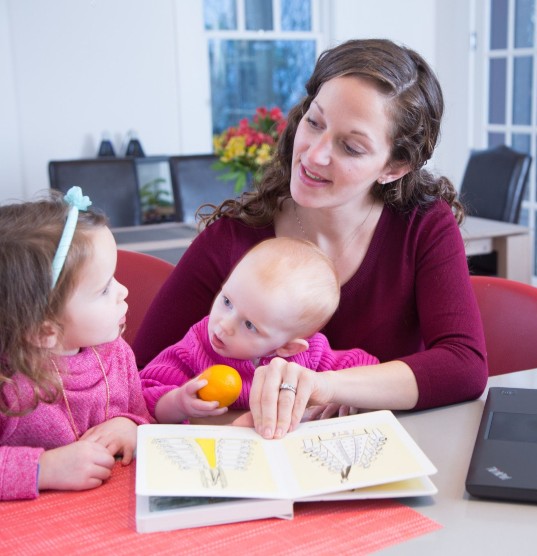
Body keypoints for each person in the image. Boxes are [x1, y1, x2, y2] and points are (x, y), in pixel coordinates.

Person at [133, 38, 488, 439]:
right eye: (315, 122)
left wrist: (324, 386)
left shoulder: (422, 227)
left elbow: (464, 366)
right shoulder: (231, 240)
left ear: (394, 166)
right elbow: (136, 380)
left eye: (351, 147)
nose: (314, 155)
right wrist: (231, 422)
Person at [0, 187, 152, 500]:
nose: (123, 291)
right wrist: (45, 468)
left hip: (108, 514)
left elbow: (142, 414)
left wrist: (131, 427)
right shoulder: (9, 385)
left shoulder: (117, 353)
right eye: (104, 288)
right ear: (44, 332)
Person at [139, 237, 379, 423]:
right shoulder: (196, 345)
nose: (224, 324)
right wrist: (178, 403)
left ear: (287, 347)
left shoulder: (310, 355)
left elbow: (366, 367)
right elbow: (143, 394)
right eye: (227, 301)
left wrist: (341, 394)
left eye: (250, 325)